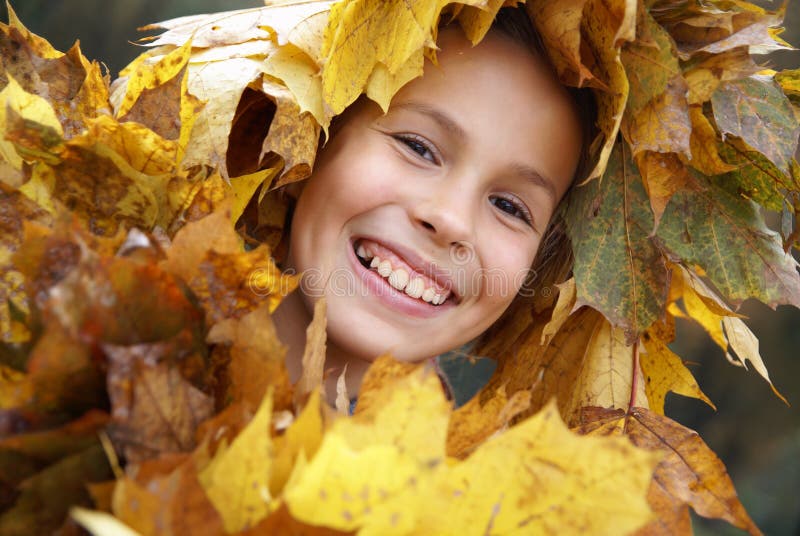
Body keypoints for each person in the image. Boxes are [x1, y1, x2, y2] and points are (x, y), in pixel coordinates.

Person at [271, 7, 594, 405]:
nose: (451, 219)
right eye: (418, 147)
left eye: (510, 207)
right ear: (310, 138)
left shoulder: (482, 468)